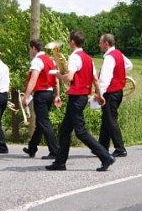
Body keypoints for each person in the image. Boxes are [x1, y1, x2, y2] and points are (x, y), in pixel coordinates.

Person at [45, 31, 114, 171]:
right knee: (64, 130)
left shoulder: (74, 57)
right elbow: (95, 79)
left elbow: (69, 77)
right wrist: (99, 95)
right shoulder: (88, 58)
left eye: (69, 40)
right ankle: (60, 162)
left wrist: (57, 74)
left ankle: (105, 157)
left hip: (76, 98)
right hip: (81, 97)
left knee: (81, 132)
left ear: (72, 42)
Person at [22, 40, 61, 159]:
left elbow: (33, 80)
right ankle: (32, 148)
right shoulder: (50, 60)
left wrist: (26, 96)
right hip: (49, 93)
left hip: (41, 95)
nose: (30, 51)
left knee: (44, 122)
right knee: (40, 122)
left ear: (34, 48)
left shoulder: (37, 61)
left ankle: (55, 150)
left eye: (30, 48)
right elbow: (56, 79)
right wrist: (57, 94)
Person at [97, 33, 133, 158]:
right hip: (118, 92)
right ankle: (102, 146)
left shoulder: (109, 57)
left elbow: (104, 79)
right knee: (106, 118)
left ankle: (120, 148)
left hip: (110, 93)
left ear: (106, 44)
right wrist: (119, 73)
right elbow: (129, 65)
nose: (99, 45)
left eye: (100, 42)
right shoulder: (118, 53)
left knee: (111, 119)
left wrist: (99, 94)